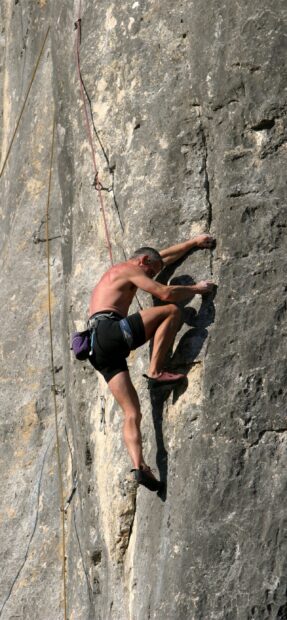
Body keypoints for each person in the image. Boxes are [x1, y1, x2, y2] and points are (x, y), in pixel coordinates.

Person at [88, 234, 215, 491]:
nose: (153, 275)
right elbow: (165, 292)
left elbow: (163, 257)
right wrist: (196, 290)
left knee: (132, 412)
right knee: (171, 310)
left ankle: (139, 466)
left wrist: (192, 243)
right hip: (109, 332)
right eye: (151, 271)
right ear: (142, 260)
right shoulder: (129, 268)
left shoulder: (128, 270)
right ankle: (156, 370)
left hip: (95, 348)